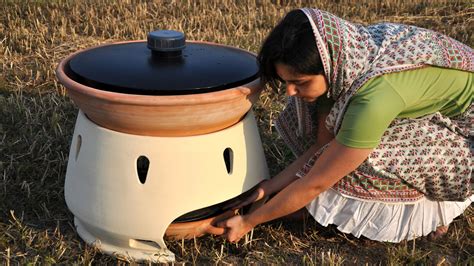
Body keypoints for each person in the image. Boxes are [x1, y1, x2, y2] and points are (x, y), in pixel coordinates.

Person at [217, 8, 473, 243]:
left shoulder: (373, 100)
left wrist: (248, 222)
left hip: (466, 141)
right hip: (428, 109)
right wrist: (270, 187)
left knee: (364, 158)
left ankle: (431, 215)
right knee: (337, 140)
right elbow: (322, 145)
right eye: (286, 82)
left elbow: (316, 181)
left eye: (300, 82)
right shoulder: (345, 60)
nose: (290, 92)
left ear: (327, 66)